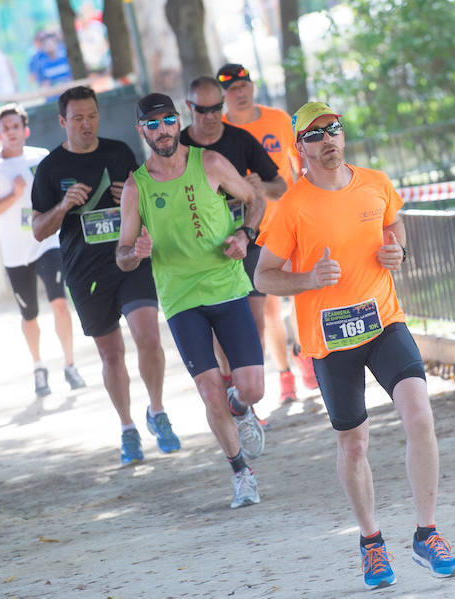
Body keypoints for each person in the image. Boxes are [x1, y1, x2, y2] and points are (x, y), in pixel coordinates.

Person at [254, 101, 455, 589]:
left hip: (384, 321)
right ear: (300, 147)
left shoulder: (375, 182)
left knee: (420, 416)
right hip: (330, 340)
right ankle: (372, 544)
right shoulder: (293, 207)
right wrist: (307, 278)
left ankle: (427, 534)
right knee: (354, 444)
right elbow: (265, 276)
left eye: (334, 129)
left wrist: (399, 249)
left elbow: (394, 226)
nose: (328, 139)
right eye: (315, 134)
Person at [117, 93, 266, 509]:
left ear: (177, 121)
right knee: (209, 392)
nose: (162, 130)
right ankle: (241, 473)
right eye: (153, 124)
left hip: (227, 287)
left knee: (251, 388)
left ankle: (242, 408)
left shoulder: (210, 163)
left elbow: (254, 198)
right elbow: (122, 254)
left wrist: (244, 235)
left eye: (168, 121)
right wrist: (135, 254)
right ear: (141, 130)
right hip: (182, 300)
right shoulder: (136, 186)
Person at [31, 86, 179, 465]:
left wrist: (129, 198)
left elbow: (146, 202)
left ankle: (158, 411)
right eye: (77, 118)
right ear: (62, 121)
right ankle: (128, 428)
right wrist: (64, 205)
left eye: (92, 115)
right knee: (111, 353)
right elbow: (38, 229)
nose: (86, 124)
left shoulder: (119, 152)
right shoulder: (51, 168)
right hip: (86, 272)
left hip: (129, 257)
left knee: (148, 335)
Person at [179, 76, 286, 421]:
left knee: (255, 320)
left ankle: (245, 399)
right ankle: (232, 391)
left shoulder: (240, 139)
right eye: (202, 109)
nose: (210, 116)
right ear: (188, 107)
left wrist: (261, 185)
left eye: (215, 109)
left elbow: (280, 186)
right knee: (220, 328)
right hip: (203, 250)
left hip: (247, 237)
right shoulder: (177, 146)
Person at [217, 62, 317, 401]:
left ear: (252, 86)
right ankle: (285, 372)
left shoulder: (277, 119)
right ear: (223, 96)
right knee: (270, 307)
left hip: (288, 221)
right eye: (232, 90)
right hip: (250, 230)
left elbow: (301, 163)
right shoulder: (220, 128)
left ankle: (305, 354)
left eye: (243, 86)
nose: (240, 93)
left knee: (302, 293)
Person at [0, 103, 86, 396]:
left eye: (15, 127)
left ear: (25, 130)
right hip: (15, 252)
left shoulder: (43, 158)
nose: (11, 133)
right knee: (30, 316)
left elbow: (61, 193)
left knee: (60, 303)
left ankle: (70, 365)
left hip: (47, 242)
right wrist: (12, 195)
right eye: (5, 128)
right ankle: (39, 367)